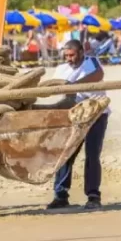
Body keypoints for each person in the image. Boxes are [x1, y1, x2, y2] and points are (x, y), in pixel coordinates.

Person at [47, 39, 110, 210]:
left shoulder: (91, 62)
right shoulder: (61, 69)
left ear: (81, 52)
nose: (69, 58)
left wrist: (73, 86)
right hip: (74, 116)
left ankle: (93, 196)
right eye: (66, 55)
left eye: (72, 55)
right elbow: (55, 90)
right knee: (66, 154)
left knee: (92, 155)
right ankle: (60, 195)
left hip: (96, 114)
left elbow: (98, 76)